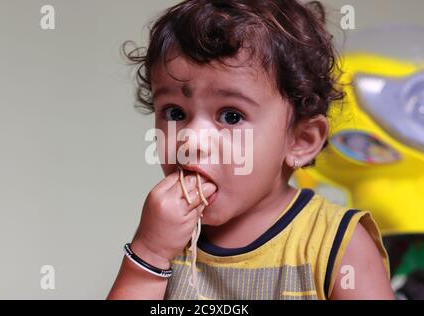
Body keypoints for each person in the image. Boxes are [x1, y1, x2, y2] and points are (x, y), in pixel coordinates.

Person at [107, 0, 394, 300]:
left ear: (301, 140)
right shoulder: (163, 238)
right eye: (175, 113)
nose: (191, 140)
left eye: (231, 116)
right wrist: (148, 255)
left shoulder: (337, 246)